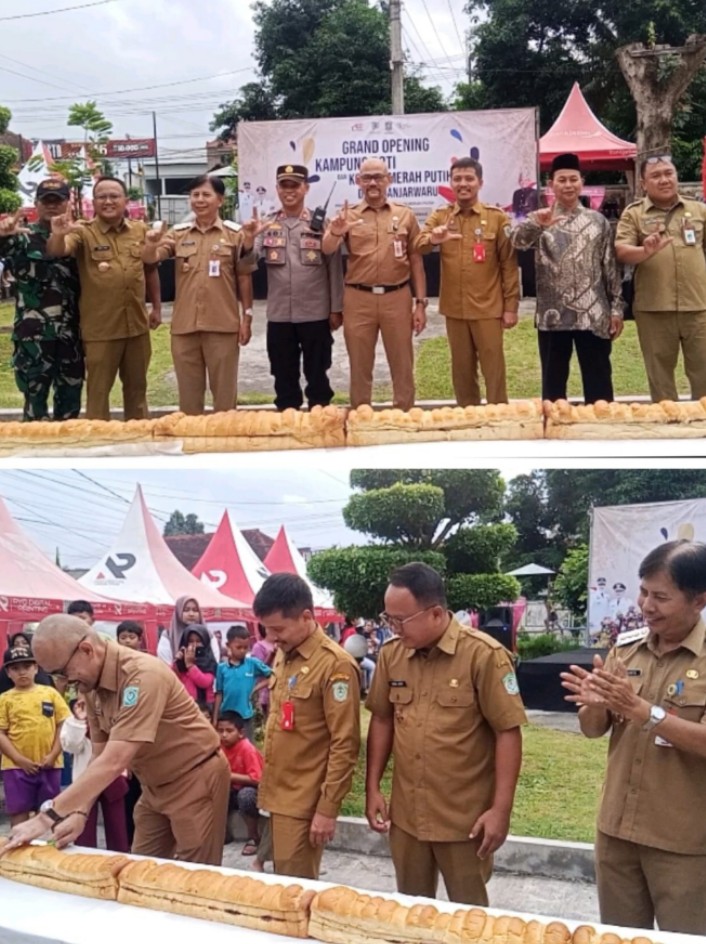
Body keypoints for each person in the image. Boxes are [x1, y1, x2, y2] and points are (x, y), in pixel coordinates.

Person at [0, 615, 230, 865]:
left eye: (62, 672)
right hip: (153, 787)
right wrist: (80, 811)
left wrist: (46, 817)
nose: (65, 683)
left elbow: (115, 759)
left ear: (86, 650)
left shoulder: (142, 675)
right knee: (140, 869)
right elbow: (99, 755)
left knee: (195, 874)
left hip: (195, 778)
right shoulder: (91, 686)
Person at [561, 540, 706, 935]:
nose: (646, 605)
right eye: (644, 592)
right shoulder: (626, 650)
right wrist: (594, 705)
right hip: (617, 832)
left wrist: (644, 711)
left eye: (661, 597)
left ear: (699, 600)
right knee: (619, 937)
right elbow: (593, 729)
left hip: (683, 842)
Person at [365, 562, 527, 906]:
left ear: (436, 613)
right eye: (388, 618)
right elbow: (382, 720)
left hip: (464, 821)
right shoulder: (392, 655)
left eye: (400, 620)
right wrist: (373, 786)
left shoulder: (483, 656)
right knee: (412, 909)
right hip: (407, 816)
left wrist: (501, 810)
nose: (393, 628)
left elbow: (508, 733)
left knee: (468, 915)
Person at [253, 572, 360, 879]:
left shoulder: (335, 664)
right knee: (283, 881)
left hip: (305, 801)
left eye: (278, 628)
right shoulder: (284, 653)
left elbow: (345, 743)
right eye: (267, 629)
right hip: (279, 793)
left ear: (306, 617)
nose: (272, 637)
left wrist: (327, 809)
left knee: (296, 889)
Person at [46, 176, 162, 421]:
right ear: (94, 201)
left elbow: (150, 269)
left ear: (125, 200)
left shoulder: (140, 230)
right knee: (98, 394)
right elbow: (59, 250)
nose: (108, 201)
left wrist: (157, 308)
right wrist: (57, 235)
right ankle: (97, 441)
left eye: (114, 196)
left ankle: (137, 438)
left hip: (136, 327)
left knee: (137, 392)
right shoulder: (83, 232)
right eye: (102, 197)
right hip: (101, 330)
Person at [511, 153, 623, 404]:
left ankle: (600, 424)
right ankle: (553, 425)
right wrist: (537, 225)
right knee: (553, 389)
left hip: (593, 314)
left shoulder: (598, 221)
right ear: (551, 184)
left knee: (599, 386)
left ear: (582, 182)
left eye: (573, 179)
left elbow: (610, 267)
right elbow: (517, 242)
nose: (568, 185)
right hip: (553, 316)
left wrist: (616, 308)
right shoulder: (541, 218)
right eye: (562, 180)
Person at [142, 174, 257, 415]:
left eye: (206, 194)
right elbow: (151, 259)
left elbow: (244, 277)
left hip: (222, 327)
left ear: (220, 200)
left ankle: (223, 438)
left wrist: (247, 317)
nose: (200, 200)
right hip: (185, 328)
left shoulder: (235, 234)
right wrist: (151, 244)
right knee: (189, 401)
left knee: (225, 400)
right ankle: (192, 437)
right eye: (195, 195)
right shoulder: (178, 233)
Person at [322, 158, 427, 411]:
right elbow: (327, 249)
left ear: (388, 180)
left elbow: (416, 260)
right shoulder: (348, 215)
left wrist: (420, 304)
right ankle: (361, 415)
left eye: (378, 177)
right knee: (359, 364)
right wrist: (335, 231)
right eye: (367, 177)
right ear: (358, 181)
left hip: (397, 296)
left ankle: (404, 416)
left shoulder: (405, 214)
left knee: (402, 363)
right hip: (359, 299)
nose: (372, 183)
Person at [416, 158, 519, 406]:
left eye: (469, 179)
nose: (463, 184)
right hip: (455, 309)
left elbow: (509, 265)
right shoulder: (441, 216)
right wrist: (434, 238)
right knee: (461, 372)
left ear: (480, 183)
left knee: (494, 371)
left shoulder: (496, 218)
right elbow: (418, 245)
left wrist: (511, 307)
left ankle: (498, 417)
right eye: (457, 179)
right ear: (451, 183)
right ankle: (468, 417)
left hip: (488, 308)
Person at [615, 154, 706, 403]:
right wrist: (644, 251)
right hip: (654, 308)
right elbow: (621, 251)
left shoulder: (699, 210)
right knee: (661, 380)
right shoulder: (634, 214)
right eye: (656, 176)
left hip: (699, 306)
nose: (664, 180)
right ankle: (668, 423)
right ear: (643, 183)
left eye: (669, 173)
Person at [255, 164, 343, 411]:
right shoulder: (267, 224)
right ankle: (288, 422)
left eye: (295, 185)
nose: (289, 191)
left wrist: (336, 308)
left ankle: (320, 421)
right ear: (277, 189)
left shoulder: (321, 224)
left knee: (318, 376)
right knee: (283, 377)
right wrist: (248, 239)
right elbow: (249, 261)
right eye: (284, 185)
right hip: (280, 315)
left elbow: (334, 267)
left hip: (315, 313)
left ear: (306, 188)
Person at [0, 181, 83, 422]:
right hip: (33, 338)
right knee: (34, 410)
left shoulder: (78, 236)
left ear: (68, 203)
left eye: (58, 200)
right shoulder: (21, 237)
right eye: (46, 200)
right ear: (36, 204)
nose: (52, 205)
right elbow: (4, 250)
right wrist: (2, 235)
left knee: (70, 409)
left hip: (70, 335)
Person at [0, 646, 69, 826]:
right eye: (15, 668)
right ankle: (20, 843)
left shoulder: (50, 693)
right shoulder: (4, 699)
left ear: (36, 668)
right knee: (18, 811)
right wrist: (19, 759)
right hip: (15, 767)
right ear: (8, 673)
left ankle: (50, 843)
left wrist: (53, 754)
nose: (22, 672)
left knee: (51, 811)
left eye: (27, 666)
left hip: (50, 764)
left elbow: (63, 724)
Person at [59, 695, 130, 852]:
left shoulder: (115, 713)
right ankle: (84, 857)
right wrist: (79, 721)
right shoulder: (73, 720)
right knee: (84, 829)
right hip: (84, 779)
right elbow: (71, 747)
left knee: (117, 827)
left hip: (113, 777)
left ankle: (120, 856)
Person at [217, 710, 264, 856]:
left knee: (245, 796)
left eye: (229, 731)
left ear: (241, 733)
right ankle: (222, 833)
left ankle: (254, 837)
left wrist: (229, 776)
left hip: (252, 792)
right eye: (220, 731)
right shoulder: (219, 747)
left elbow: (257, 779)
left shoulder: (247, 748)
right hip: (231, 789)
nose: (224, 735)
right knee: (213, 791)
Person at [213, 624, 272, 742]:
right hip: (227, 714)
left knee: (247, 744)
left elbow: (272, 676)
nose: (242, 651)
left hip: (245, 715)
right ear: (228, 645)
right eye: (238, 647)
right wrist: (215, 717)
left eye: (246, 647)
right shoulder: (222, 668)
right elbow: (219, 693)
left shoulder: (252, 663)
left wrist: (256, 688)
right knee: (227, 744)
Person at [172, 623, 217, 715]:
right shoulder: (181, 662)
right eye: (191, 641)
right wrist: (177, 662)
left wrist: (190, 666)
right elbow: (172, 678)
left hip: (204, 709)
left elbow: (205, 682)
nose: (195, 645)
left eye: (199, 641)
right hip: (185, 706)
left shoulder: (209, 662)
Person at [158, 595, 206, 665]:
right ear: (178, 612)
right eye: (186, 610)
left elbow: (213, 662)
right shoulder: (168, 635)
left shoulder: (208, 635)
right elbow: (165, 665)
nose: (191, 614)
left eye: (195, 610)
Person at [251, 622, 277, 720]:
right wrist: (271, 655)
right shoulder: (259, 646)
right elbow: (258, 670)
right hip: (265, 690)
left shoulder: (282, 643)